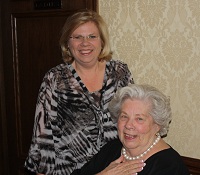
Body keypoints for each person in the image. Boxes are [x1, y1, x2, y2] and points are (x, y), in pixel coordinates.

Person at [24, 9, 136, 174]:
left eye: (92, 36)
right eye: (77, 37)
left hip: (117, 167)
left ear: (102, 41)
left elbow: (135, 117)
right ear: (67, 44)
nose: (85, 43)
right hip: (69, 170)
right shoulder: (55, 79)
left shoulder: (120, 72)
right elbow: (42, 139)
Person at [72, 84, 190, 175]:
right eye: (124, 116)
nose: (129, 125)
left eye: (139, 119)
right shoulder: (112, 148)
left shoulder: (169, 166)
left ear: (157, 125)